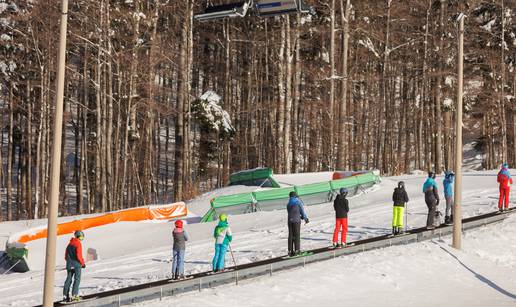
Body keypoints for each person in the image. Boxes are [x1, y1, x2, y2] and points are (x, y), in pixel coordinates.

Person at [63, 230, 86, 302]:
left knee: (68, 280)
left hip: (69, 265)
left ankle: (65, 295)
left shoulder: (69, 244)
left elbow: (66, 256)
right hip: (77, 265)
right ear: (79, 237)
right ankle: (74, 295)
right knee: (77, 279)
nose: (82, 239)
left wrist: (70, 263)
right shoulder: (78, 244)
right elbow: (79, 255)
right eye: (82, 237)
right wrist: (82, 263)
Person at [286, 191, 309, 256]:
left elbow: (290, 212)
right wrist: (305, 218)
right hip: (296, 221)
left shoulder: (288, 204)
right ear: (295, 196)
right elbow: (302, 211)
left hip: (289, 221)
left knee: (290, 235)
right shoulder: (298, 202)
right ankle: (297, 250)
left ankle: (290, 251)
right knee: (297, 235)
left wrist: (299, 215)